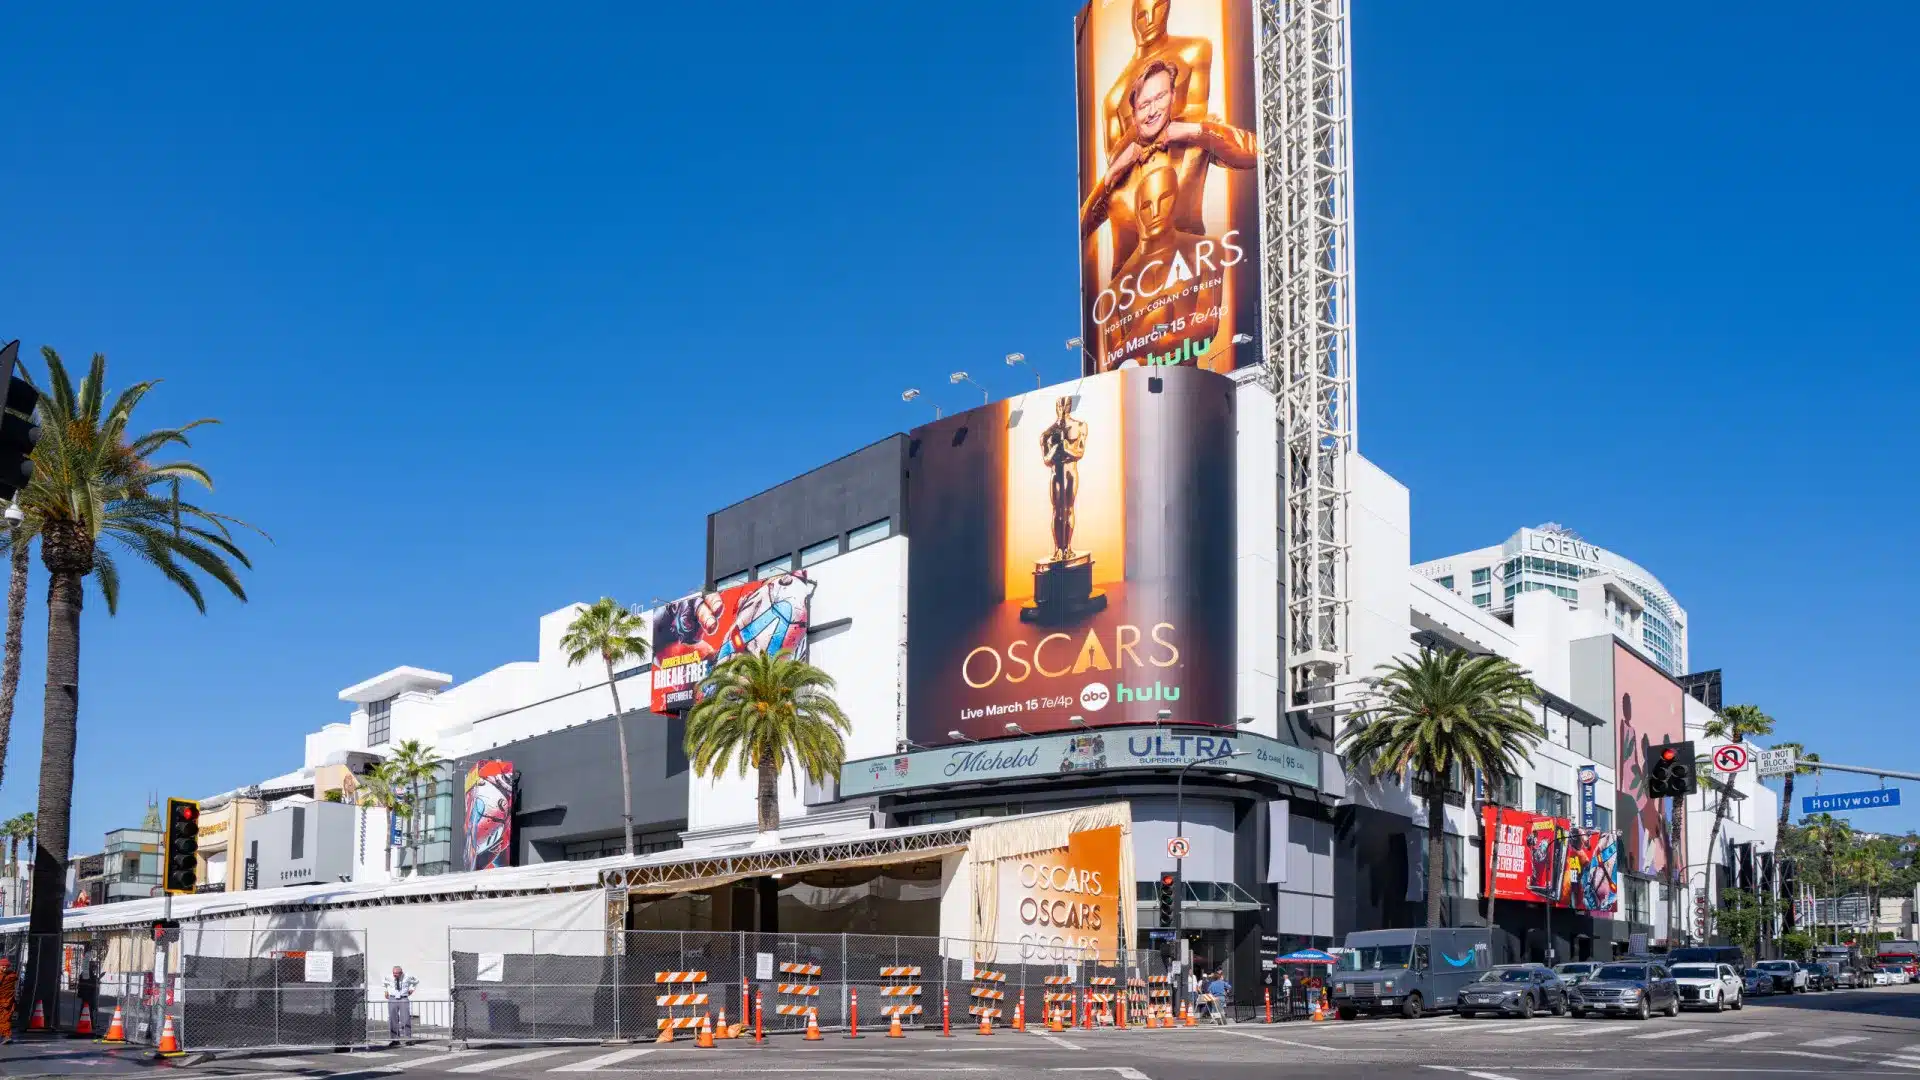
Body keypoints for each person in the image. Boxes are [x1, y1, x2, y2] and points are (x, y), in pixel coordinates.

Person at [383, 965, 419, 1045]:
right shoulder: (389, 977)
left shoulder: (408, 977)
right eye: (393, 973)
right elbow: (384, 983)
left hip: (403, 998)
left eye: (397, 973)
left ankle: (407, 1039)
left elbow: (416, 981)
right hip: (393, 998)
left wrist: (412, 989)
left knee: (405, 1019)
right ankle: (394, 1039)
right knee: (393, 1019)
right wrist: (386, 991)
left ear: (401, 972)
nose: (394, 975)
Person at [0, 957, 16, 1043]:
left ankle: (7, 1036)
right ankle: (6, 1036)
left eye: (6, 967)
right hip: (6, 1001)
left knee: (5, 1019)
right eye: (3, 967)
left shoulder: (10, 976)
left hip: (7, 1001)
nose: (5, 968)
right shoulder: (11, 975)